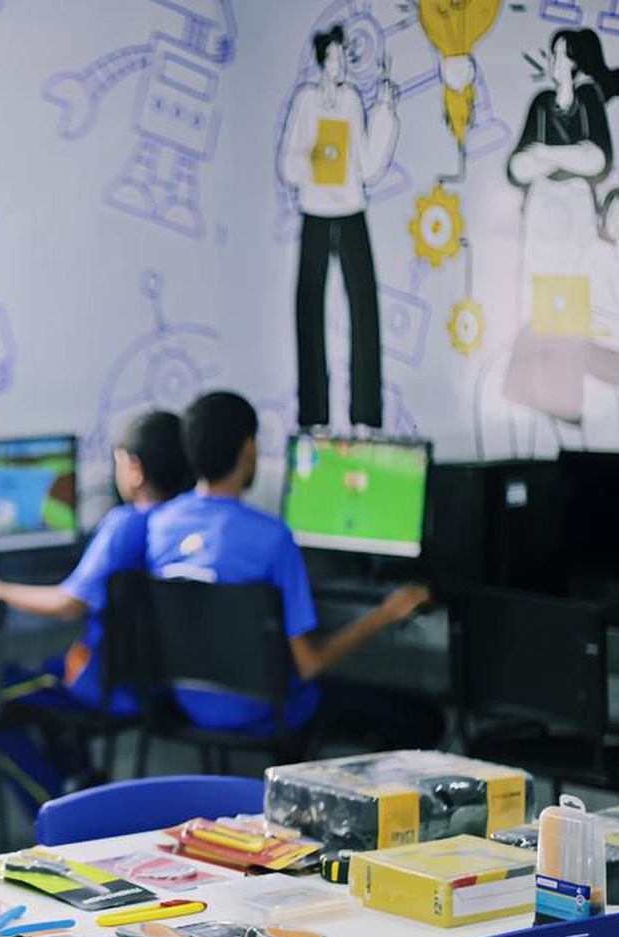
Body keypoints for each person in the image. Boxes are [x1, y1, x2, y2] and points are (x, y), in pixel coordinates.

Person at [147, 392, 439, 750]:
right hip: (268, 713)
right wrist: (387, 613)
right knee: (422, 717)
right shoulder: (273, 539)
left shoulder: (159, 525)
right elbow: (309, 665)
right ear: (249, 448)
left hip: (190, 704)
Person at [0, 410, 193, 798]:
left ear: (135, 469)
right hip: (162, 685)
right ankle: (80, 777)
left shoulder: (126, 524)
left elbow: (69, 603)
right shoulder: (188, 523)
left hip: (105, 686)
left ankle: (59, 811)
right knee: (48, 701)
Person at [502, 26, 619, 422]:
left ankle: (565, 401)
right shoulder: (542, 103)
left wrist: (549, 155)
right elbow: (519, 165)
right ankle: (531, 387)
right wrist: (551, 157)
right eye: (554, 54)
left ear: (576, 63)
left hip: (574, 210)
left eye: (562, 55)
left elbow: (597, 158)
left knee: (570, 303)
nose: (555, 62)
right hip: (542, 210)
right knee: (537, 301)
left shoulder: (589, 100)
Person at [277, 23, 399, 430]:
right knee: (309, 307)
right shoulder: (306, 102)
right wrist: (316, 157)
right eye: (334, 57)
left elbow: (366, 161)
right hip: (315, 211)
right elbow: (289, 163)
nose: (341, 64)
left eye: (344, 57)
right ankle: (314, 416)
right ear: (322, 62)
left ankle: (366, 414)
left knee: (364, 306)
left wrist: (384, 111)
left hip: (350, 209)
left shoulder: (350, 101)